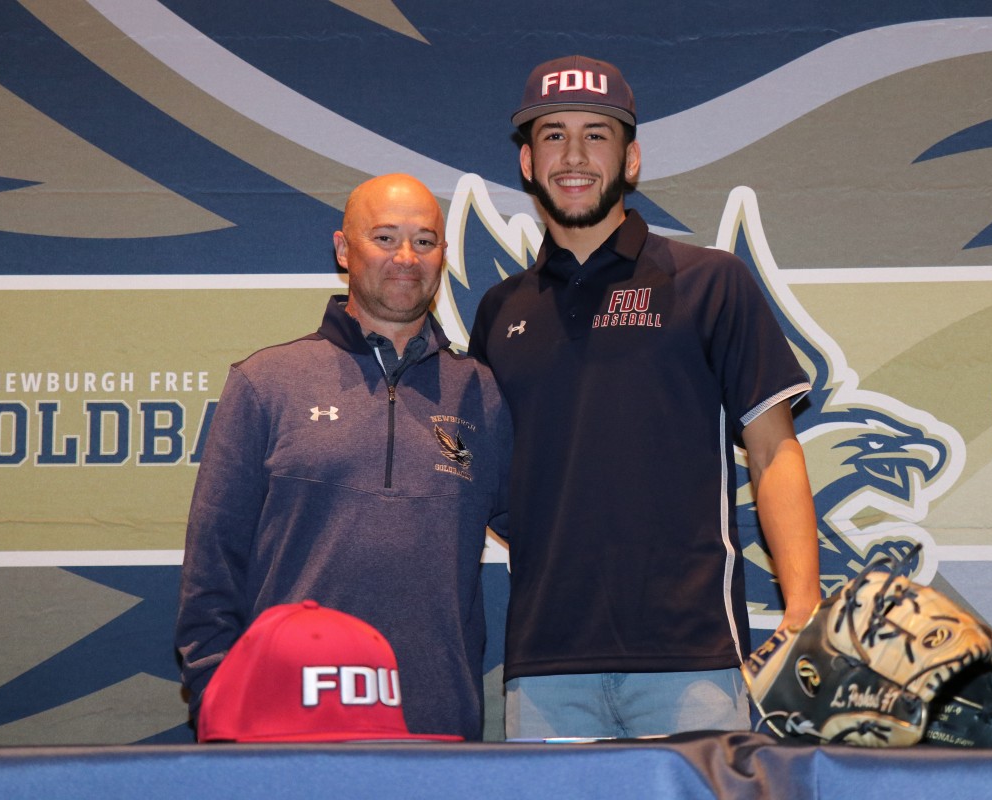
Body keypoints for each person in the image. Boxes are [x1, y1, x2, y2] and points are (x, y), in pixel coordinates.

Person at [468, 55, 821, 739]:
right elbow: (486, 483)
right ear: (527, 163)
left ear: (631, 160)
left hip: (690, 657)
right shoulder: (498, 310)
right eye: (552, 134)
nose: (574, 154)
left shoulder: (709, 282)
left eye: (597, 135)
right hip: (545, 663)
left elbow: (774, 447)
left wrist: (802, 607)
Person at [175, 173, 511, 741]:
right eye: (385, 238)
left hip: (437, 729)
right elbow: (212, 571)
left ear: (444, 257)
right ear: (343, 248)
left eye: (424, 241)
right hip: (284, 727)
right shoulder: (266, 383)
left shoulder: (482, 393)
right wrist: (222, 702)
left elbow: (553, 537)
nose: (406, 257)